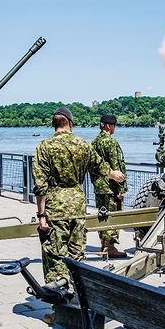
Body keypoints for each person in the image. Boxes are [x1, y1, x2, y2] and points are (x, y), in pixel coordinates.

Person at [33, 107, 118, 291]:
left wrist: (41, 214)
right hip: (78, 207)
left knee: (55, 256)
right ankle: (78, 295)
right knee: (77, 255)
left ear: (52, 124)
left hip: (55, 209)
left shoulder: (44, 146)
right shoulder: (83, 144)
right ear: (70, 124)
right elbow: (101, 168)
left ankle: (59, 300)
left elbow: (40, 185)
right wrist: (115, 175)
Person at [91, 114, 128, 258]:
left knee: (103, 214)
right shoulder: (110, 142)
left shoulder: (94, 143)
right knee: (113, 215)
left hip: (99, 186)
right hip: (111, 186)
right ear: (108, 126)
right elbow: (116, 166)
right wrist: (121, 188)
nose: (114, 128)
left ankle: (103, 243)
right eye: (114, 125)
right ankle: (110, 247)